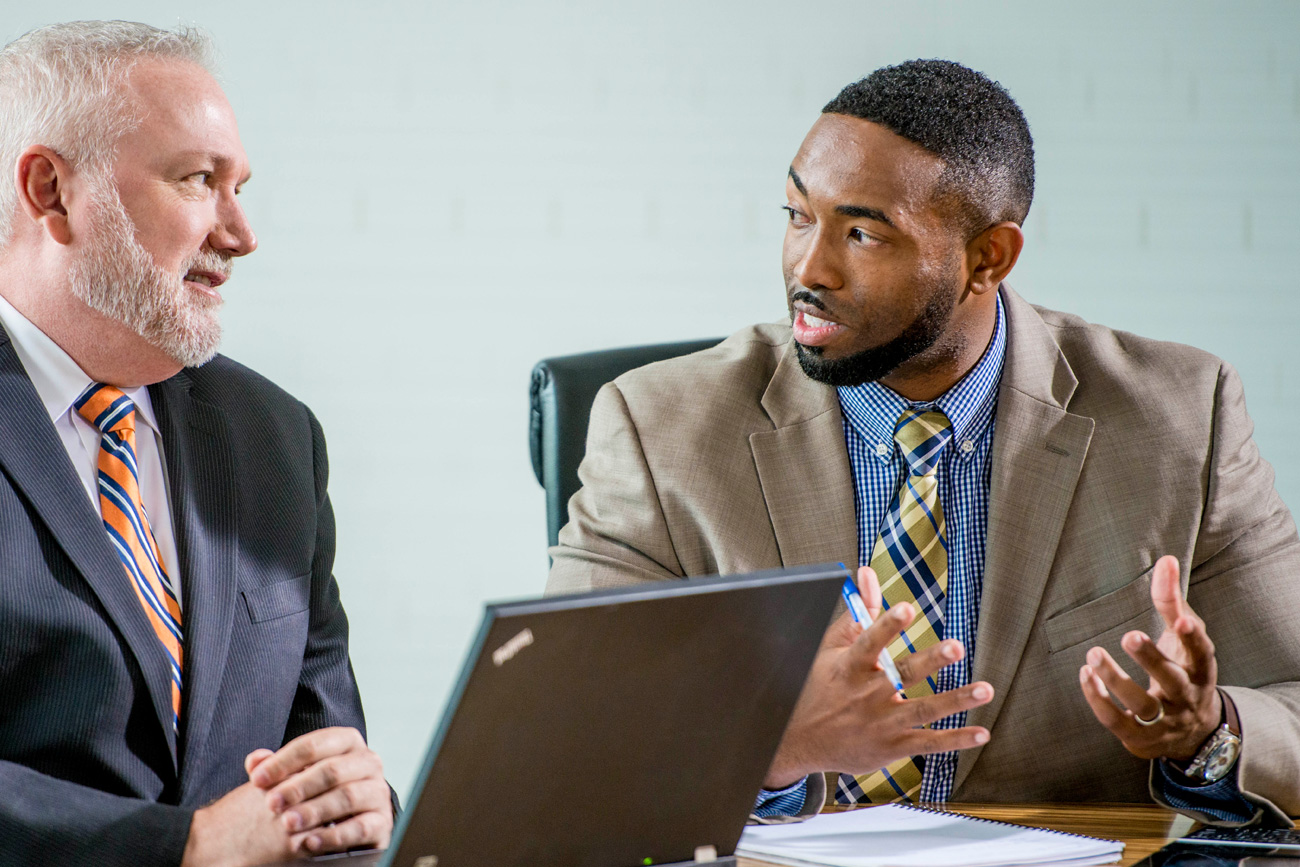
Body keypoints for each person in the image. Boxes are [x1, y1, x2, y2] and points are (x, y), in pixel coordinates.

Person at [546, 59, 1300, 828]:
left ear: (988, 259)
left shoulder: (1178, 417)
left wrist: (1209, 735)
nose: (809, 267)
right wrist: (773, 744)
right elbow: (559, 733)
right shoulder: (657, 426)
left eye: (863, 232)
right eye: (798, 214)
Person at [0, 21, 393, 865]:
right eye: (198, 181)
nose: (240, 233)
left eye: (240, 186)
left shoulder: (277, 437)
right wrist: (185, 844)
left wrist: (356, 799)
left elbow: (322, 734)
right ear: (50, 190)